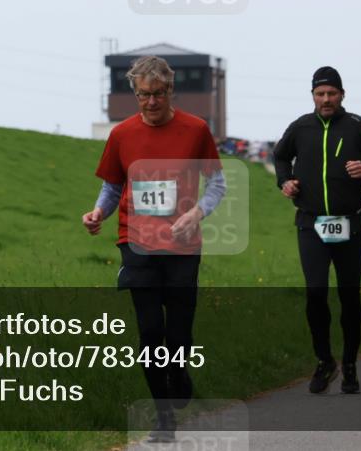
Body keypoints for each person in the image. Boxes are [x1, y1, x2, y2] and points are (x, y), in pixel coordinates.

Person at [82, 55, 226, 443]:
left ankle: (178, 374)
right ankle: (163, 417)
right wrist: (99, 212)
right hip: (137, 243)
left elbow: (217, 185)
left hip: (182, 246)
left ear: (170, 90)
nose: (151, 102)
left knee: (178, 335)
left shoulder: (196, 130)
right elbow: (112, 186)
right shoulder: (122, 135)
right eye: (144, 95)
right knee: (149, 333)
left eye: (158, 94)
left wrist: (197, 213)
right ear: (135, 94)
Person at [274, 66, 361, 395]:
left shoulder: (357, 127)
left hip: (348, 223)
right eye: (320, 94)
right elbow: (280, 157)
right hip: (310, 223)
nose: (326, 99)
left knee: (349, 296)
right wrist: (285, 181)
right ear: (312, 96)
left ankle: (350, 363)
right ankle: (325, 360)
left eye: (332, 93)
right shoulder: (301, 127)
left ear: (342, 95)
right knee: (315, 294)